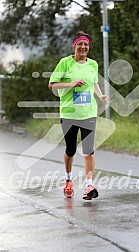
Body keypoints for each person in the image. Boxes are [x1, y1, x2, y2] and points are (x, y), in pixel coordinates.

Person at [48, 31, 108, 200]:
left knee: (89, 151)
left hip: (89, 112)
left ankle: (89, 186)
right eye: (80, 44)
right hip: (69, 113)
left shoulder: (93, 64)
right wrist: (70, 83)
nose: (83, 47)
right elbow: (52, 85)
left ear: (89, 47)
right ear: (74, 46)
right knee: (71, 149)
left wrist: (101, 95)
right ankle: (68, 180)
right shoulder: (65, 63)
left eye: (86, 45)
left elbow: (94, 82)